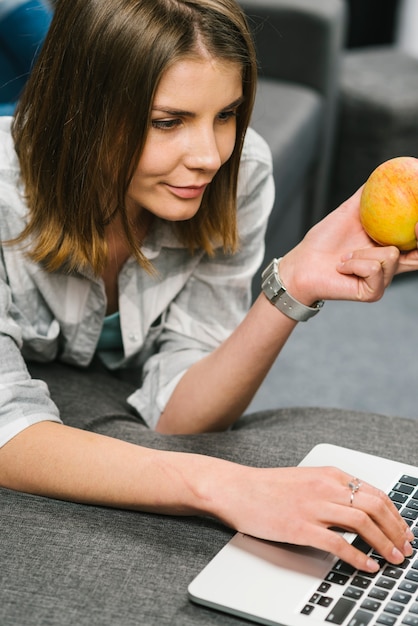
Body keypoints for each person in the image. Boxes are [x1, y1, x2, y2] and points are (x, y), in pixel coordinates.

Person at [0, 0, 418, 576]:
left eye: (226, 114)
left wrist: (292, 284)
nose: (209, 156)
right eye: (166, 122)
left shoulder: (240, 172)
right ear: (82, 110)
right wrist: (229, 487)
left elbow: (180, 418)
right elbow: (6, 431)